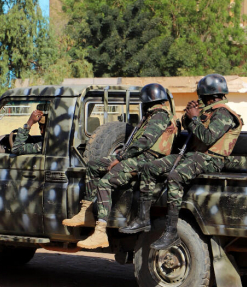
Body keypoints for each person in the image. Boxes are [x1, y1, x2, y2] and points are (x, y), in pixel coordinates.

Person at [63, 83, 176, 249]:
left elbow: (146, 141)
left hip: (146, 159)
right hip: (137, 155)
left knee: (105, 183)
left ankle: (100, 232)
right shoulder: (152, 115)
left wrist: (121, 157)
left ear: (147, 101)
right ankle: (86, 212)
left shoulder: (160, 115)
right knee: (94, 165)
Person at [139, 74, 243, 250]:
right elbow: (187, 128)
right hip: (193, 155)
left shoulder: (224, 113)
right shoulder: (208, 112)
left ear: (206, 95)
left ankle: (171, 232)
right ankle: (142, 219)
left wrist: (194, 118)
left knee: (174, 177)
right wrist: (189, 116)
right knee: (150, 168)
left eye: (200, 96)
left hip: (212, 159)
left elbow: (208, 138)